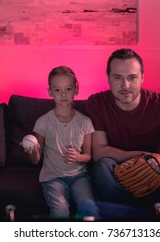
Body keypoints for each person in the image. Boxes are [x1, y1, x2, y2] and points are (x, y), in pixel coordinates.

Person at [85, 48, 160, 217]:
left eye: (132, 77)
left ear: (142, 77)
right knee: (102, 166)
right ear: (108, 79)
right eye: (117, 77)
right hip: (121, 176)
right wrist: (144, 157)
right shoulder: (97, 103)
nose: (125, 85)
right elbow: (99, 152)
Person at [21, 66, 100, 219]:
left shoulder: (85, 122)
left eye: (68, 89)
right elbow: (36, 160)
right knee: (61, 211)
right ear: (50, 92)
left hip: (79, 177)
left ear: (76, 90)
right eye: (57, 90)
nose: (63, 94)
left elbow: (88, 156)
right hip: (52, 177)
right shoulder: (43, 122)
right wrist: (33, 151)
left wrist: (78, 157)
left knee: (90, 211)